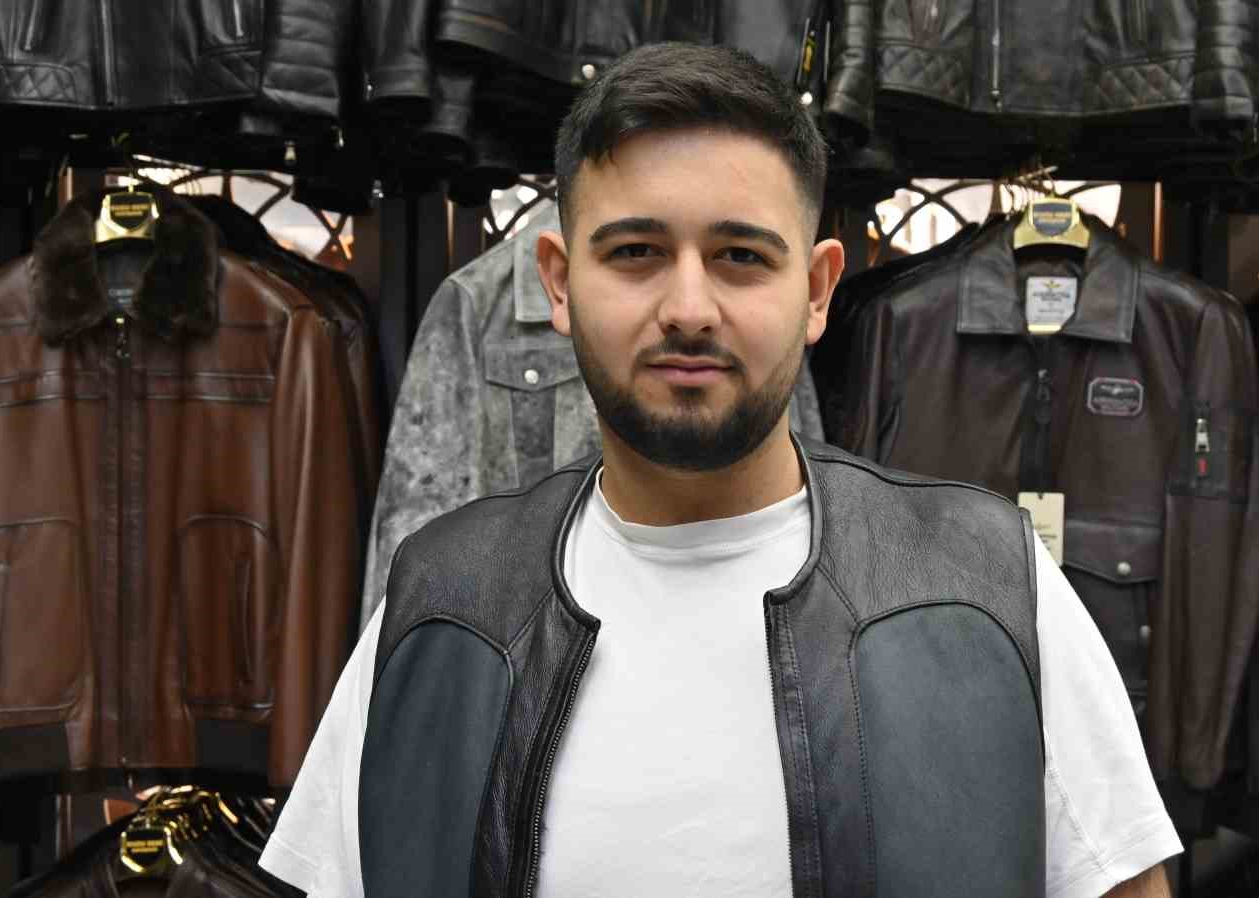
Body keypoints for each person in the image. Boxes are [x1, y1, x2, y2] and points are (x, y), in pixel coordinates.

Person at [259, 42, 1181, 898]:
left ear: (816, 290)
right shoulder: (441, 604)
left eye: (741, 256)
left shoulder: (991, 582)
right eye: (636, 253)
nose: (689, 307)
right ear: (559, 282)